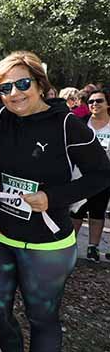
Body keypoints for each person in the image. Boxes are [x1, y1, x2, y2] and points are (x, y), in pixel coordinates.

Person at [0, 51, 110, 352]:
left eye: (22, 83)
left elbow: (102, 174)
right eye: (5, 88)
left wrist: (52, 197)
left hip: (47, 245)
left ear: (39, 84)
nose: (15, 93)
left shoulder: (67, 125)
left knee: (41, 318)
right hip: (0, 235)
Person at [70, 87, 110, 262]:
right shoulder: (81, 122)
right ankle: (70, 244)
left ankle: (92, 247)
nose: (94, 104)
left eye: (99, 101)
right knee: (76, 211)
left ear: (108, 104)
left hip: (104, 177)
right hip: (79, 175)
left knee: (97, 211)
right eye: (91, 101)